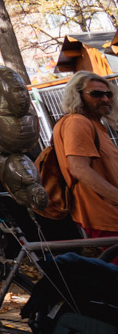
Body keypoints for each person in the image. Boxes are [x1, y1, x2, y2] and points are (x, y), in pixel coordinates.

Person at [53, 72, 118, 239]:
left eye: (108, 94)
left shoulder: (93, 124)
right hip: (105, 218)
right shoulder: (77, 122)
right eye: (96, 94)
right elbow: (79, 169)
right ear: (78, 96)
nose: (105, 99)